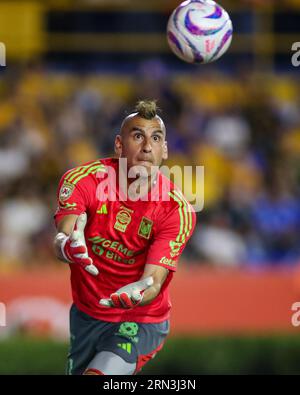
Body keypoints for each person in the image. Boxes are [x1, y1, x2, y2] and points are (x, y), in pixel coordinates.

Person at [53, 100, 196, 375]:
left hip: (140, 317)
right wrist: (68, 246)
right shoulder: (82, 181)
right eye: (137, 136)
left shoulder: (177, 210)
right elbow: (65, 235)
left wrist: (139, 292)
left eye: (156, 138)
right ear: (119, 144)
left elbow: (153, 281)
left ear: (164, 149)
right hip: (87, 313)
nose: (146, 147)